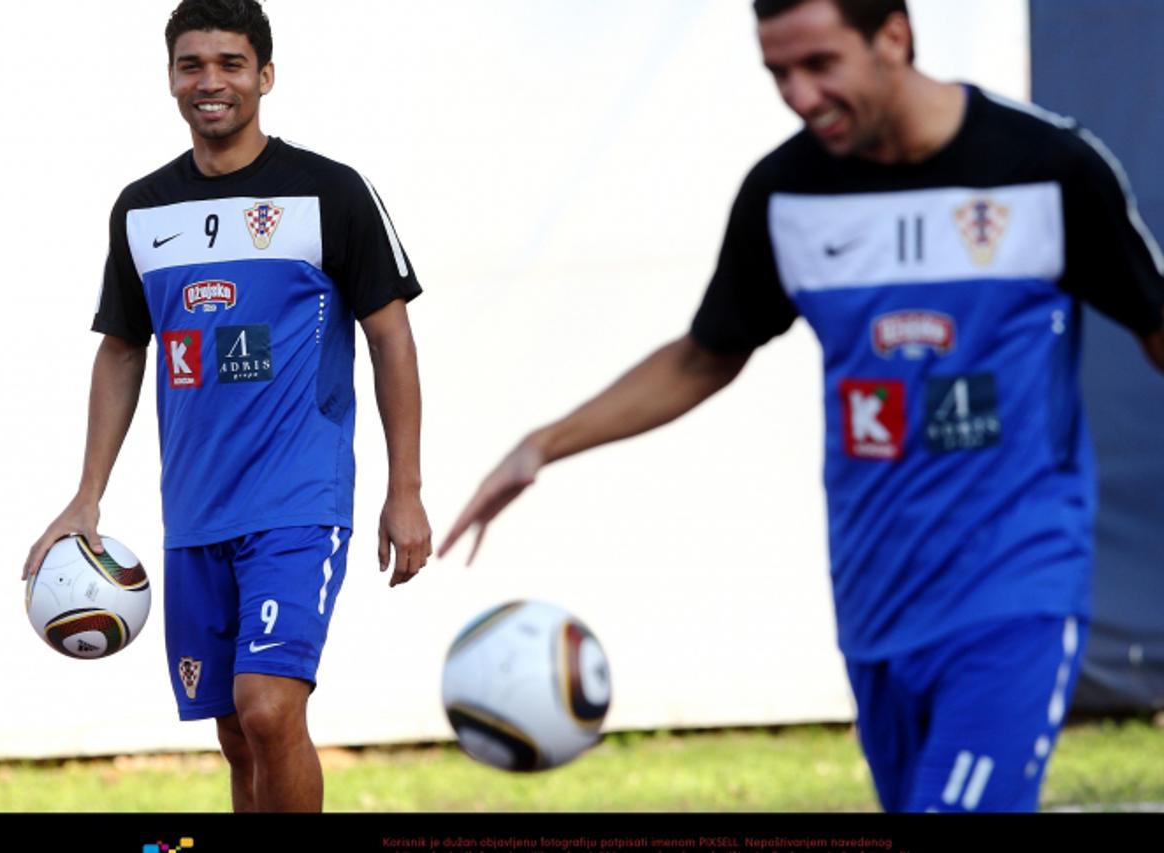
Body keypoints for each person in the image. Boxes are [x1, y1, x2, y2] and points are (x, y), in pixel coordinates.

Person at [439, 0, 1164, 812]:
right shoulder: (786, 192)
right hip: (875, 597)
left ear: (894, 35)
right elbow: (706, 351)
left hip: (1016, 583)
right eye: (778, 72)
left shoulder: (1047, 166)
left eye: (820, 64)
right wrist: (542, 444)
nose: (799, 94)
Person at [23, 0, 431, 813]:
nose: (211, 82)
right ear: (172, 78)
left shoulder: (330, 194)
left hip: (299, 498)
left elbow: (393, 340)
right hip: (196, 511)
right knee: (237, 733)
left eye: (231, 64)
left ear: (265, 76)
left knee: (269, 706)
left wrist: (406, 487)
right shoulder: (141, 209)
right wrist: (87, 493)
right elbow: (122, 348)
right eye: (192, 65)